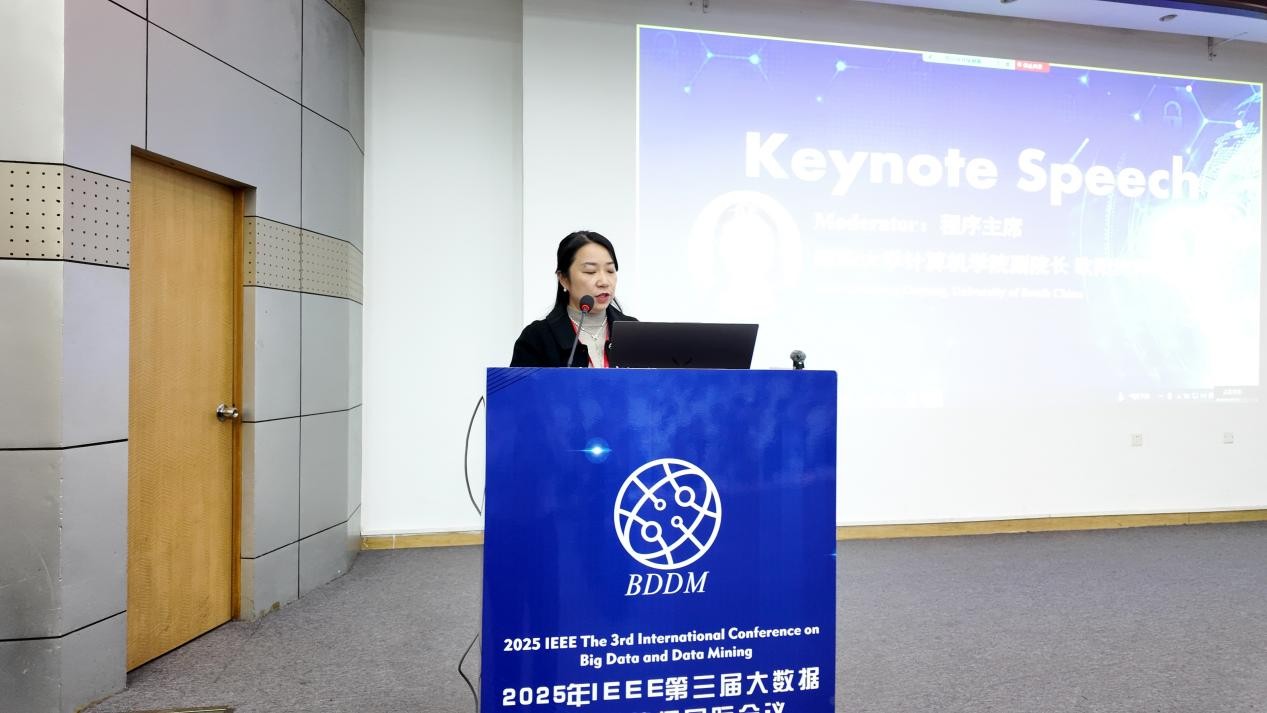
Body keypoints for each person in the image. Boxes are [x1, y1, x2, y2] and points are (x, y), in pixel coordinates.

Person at [511, 231, 637, 367]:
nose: (604, 282)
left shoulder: (634, 332)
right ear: (564, 279)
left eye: (610, 271)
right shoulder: (537, 338)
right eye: (590, 271)